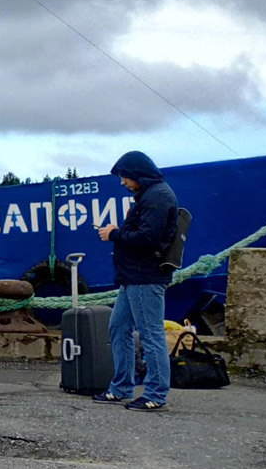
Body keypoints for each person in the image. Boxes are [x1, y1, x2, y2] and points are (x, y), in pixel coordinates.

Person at [91, 150, 177, 411]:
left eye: (125, 177)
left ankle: (156, 394)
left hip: (144, 276)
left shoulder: (157, 197)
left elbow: (147, 239)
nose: (123, 182)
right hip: (133, 277)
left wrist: (114, 234)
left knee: (150, 334)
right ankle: (121, 387)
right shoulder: (151, 195)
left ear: (138, 174)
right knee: (118, 327)